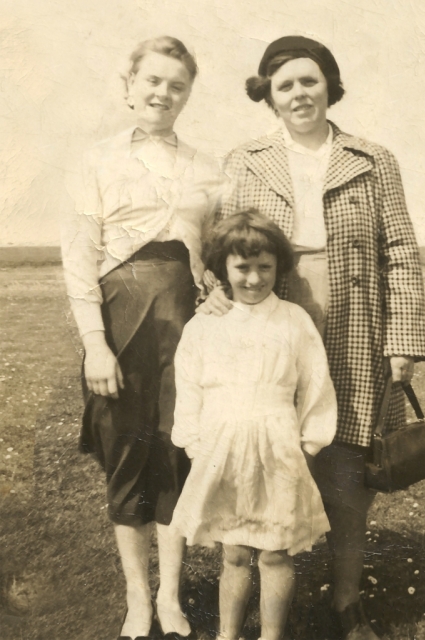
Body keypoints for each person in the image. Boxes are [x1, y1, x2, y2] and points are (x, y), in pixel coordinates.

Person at [202, 36, 425, 640]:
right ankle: (255, 581)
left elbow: (401, 250)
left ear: (329, 83)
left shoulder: (372, 157)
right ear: (268, 96)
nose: (299, 93)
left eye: (310, 80)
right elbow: (221, 244)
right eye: (285, 85)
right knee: (266, 441)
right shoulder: (244, 158)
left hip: (355, 310)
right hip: (269, 307)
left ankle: (345, 599)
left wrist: (403, 336)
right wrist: (216, 289)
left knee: (348, 455)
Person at [61, 36, 222, 639]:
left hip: (186, 322)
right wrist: (95, 343)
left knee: (177, 449)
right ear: (129, 86)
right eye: (152, 81)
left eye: (177, 85)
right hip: (119, 316)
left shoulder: (208, 167)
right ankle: (136, 600)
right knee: (127, 452)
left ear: (188, 95)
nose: (163, 93)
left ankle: (172, 597)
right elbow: (78, 258)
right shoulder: (95, 159)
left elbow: (214, 253)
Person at [170, 210, 337, 640]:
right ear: (223, 267)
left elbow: (316, 385)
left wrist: (310, 445)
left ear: (279, 266)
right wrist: (194, 445)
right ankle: (228, 634)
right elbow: (189, 386)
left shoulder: (294, 320)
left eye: (265, 267)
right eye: (242, 268)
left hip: (279, 450)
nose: (254, 279)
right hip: (223, 452)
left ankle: (271, 635)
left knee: (276, 554)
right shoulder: (205, 324)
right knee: (235, 552)